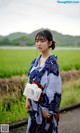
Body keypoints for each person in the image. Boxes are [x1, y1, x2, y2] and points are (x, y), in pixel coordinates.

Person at [25, 29, 62, 133]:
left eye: (42, 41)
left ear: (49, 43)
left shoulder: (52, 64)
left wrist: (44, 109)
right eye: (37, 41)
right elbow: (30, 80)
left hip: (45, 109)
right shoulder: (35, 61)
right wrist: (28, 98)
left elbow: (53, 90)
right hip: (33, 106)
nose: (38, 44)